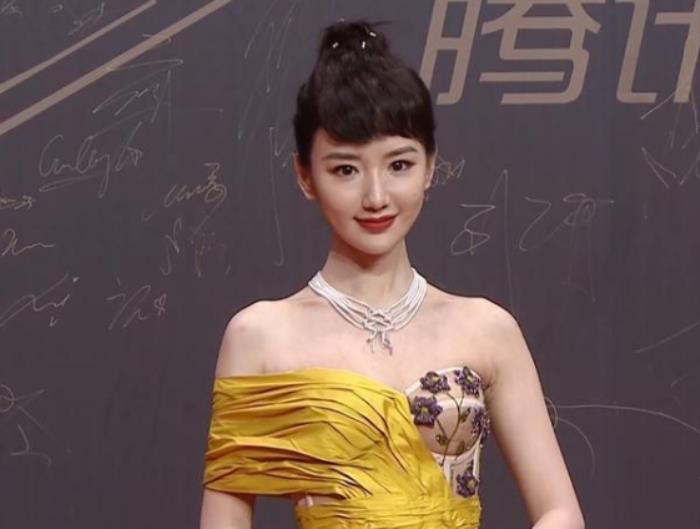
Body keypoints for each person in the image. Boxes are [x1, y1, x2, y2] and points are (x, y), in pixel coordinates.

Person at [199, 18, 585, 529]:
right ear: (305, 176)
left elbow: (560, 511)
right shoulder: (260, 337)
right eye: (346, 169)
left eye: (399, 165)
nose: (376, 196)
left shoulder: (488, 330)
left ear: (430, 167)